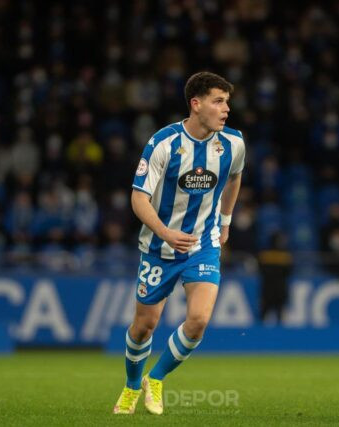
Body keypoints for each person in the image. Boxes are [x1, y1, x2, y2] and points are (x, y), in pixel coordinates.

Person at [113, 72, 245, 415]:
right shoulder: (163, 143)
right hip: (159, 247)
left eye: (227, 102)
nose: (226, 109)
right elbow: (138, 198)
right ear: (196, 104)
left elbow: (234, 177)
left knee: (199, 319)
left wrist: (226, 221)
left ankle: (154, 379)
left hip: (203, 244)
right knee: (144, 327)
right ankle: (130, 386)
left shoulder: (233, 144)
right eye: (219, 101)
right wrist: (165, 232)